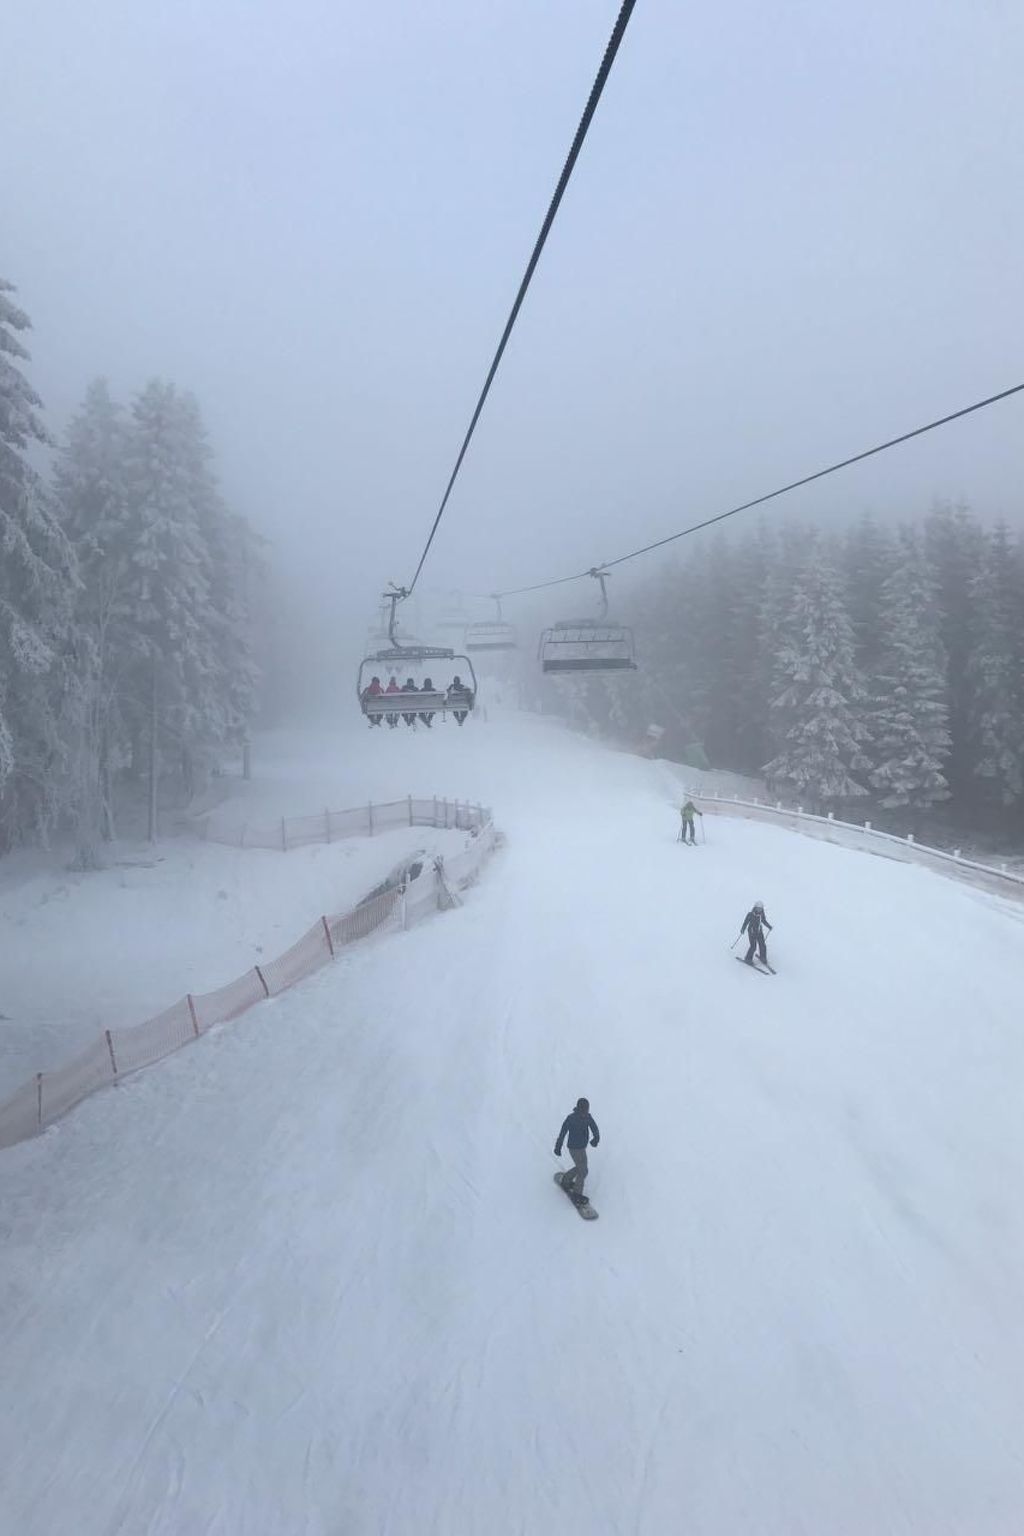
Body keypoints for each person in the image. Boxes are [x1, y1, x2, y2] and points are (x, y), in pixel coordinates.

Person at [554, 1097, 600, 1204]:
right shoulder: (571, 1118)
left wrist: (596, 1138)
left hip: (582, 1147)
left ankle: (566, 1180)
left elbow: (594, 1127)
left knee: (582, 1168)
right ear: (578, 1109)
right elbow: (563, 1132)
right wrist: (558, 1146)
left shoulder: (588, 1117)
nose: (585, 1113)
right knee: (583, 1170)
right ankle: (577, 1194)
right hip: (573, 1148)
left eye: (586, 1110)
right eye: (583, 1110)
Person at [740, 901, 772, 966]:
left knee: (762, 945)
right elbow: (745, 922)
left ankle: (763, 957)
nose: (759, 910)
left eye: (760, 909)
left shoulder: (761, 914)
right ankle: (748, 959)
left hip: (759, 932)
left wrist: (769, 926)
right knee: (753, 946)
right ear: (755, 908)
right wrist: (743, 929)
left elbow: (764, 921)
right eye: (758, 908)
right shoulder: (750, 914)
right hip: (752, 932)